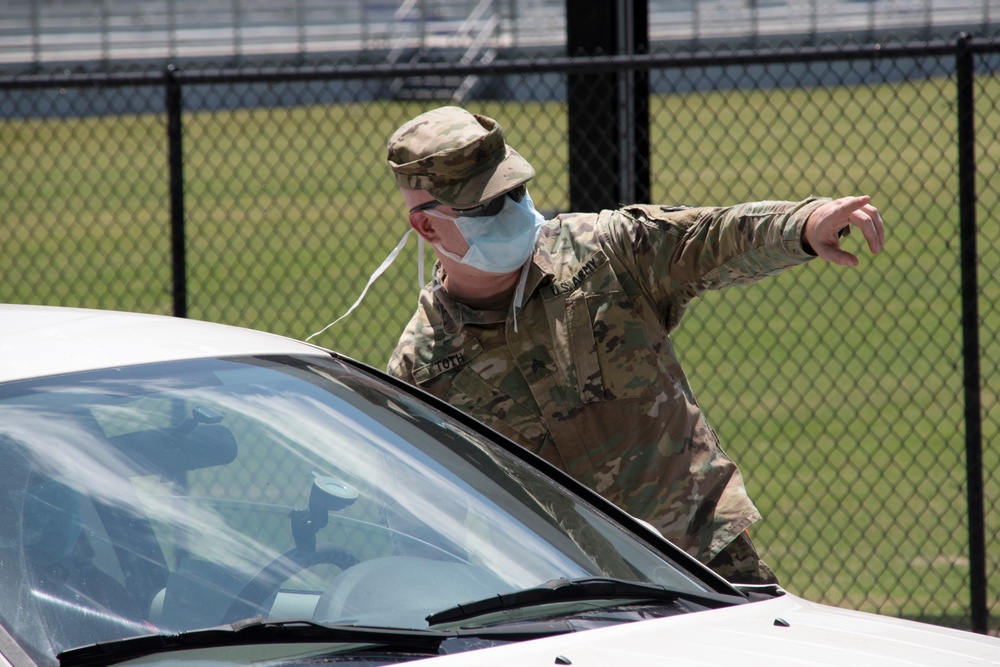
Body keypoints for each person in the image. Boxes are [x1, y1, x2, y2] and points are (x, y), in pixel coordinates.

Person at [384, 105, 885, 584]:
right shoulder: (423, 368)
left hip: (700, 559)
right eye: (488, 205)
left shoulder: (601, 251)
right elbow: (421, 523)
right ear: (427, 224)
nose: (513, 209)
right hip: (569, 600)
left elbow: (710, 236)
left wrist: (802, 225)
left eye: (516, 192)